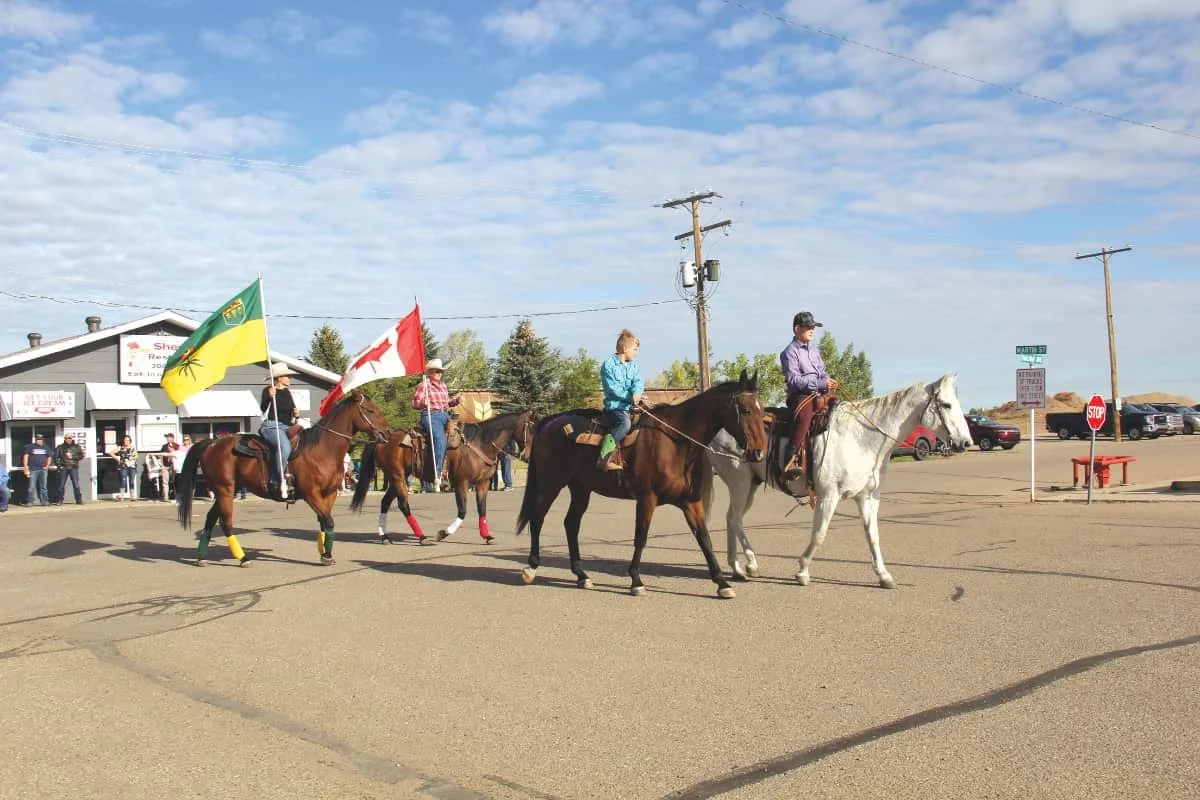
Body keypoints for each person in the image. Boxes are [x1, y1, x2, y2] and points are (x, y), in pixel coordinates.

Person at [780, 311, 839, 483]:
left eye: (813, 327)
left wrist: (828, 381)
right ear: (797, 329)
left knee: (838, 408)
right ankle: (790, 458)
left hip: (818, 393)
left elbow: (822, 372)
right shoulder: (789, 352)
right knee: (804, 418)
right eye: (808, 327)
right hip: (800, 396)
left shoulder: (814, 351)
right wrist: (821, 384)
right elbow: (794, 380)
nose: (812, 330)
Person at [597, 329, 644, 471]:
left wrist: (637, 392)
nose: (636, 352)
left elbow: (638, 381)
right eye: (634, 349)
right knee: (624, 424)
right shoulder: (609, 365)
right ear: (624, 348)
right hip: (615, 408)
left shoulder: (633, 366)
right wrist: (630, 397)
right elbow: (612, 389)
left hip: (632, 406)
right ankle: (604, 457)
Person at [411, 358, 460, 493]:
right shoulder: (424, 385)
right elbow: (414, 403)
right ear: (431, 372)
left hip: (445, 415)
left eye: (441, 372)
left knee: (461, 437)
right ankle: (437, 475)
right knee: (440, 440)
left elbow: (447, 402)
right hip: (431, 415)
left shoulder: (443, 385)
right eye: (437, 371)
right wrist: (422, 404)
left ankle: (457, 474)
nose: (440, 374)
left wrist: (455, 401)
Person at [260, 362, 300, 501]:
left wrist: (296, 414)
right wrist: (269, 397)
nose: (289, 378)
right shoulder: (269, 390)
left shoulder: (288, 393)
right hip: (272, 426)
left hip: (288, 426)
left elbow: (292, 413)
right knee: (284, 447)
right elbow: (263, 409)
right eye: (287, 376)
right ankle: (276, 481)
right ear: (279, 378)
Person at [54, 432, 85, 505]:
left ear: (72, 438)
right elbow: (56, 457)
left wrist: (73, 457)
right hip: (64, 467)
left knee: (76, 484)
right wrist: (59, 466)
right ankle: (60, 500)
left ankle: (78, 500)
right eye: (67, 438)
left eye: (70, 438)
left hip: (73, 467)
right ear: (65, 439)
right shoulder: (60, 447)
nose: (69, 439)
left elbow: (81, 456)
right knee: (61, 485)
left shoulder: (76, 446)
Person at [22, 434, 53, 506]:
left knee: (44, 487)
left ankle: (45, 501)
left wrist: (47, 466)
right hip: (33, 469)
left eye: (41, 439)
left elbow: (49, 457)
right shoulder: (30, 447)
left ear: (43, 440)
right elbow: (26, 456)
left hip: (43, 469)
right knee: (31, 487)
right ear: (35, 440)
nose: (39, 440)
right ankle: (30, 501)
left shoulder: (46, 447)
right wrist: (25, 466)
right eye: (38, 439)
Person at [108, 435, 139, 502]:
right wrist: (117, 458)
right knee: (123, 480)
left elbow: (136, 456)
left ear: (130, 441)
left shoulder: (133, 448)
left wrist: (132, 458)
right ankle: (122, 496)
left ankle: (132, 496)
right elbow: (111, 453)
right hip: (123, 466)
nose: (126, 442)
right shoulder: (120, 448)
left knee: (131, 481)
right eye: (125, 440)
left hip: (132, 466)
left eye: (127, 440)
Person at [158, 432, 179, 502]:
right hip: (165, 465)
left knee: (175, 481)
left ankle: (177, 496)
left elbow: (179, 455)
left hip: (174, 466)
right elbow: (161, 455)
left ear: (172, 438)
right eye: (167, 437)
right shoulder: (164, 446)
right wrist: (162, 464)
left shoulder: (177, 446)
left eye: (169, 437)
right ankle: (166, 497)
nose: (168, 439)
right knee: (165, 482)